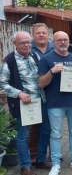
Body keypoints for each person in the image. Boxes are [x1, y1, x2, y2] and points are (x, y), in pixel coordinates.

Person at [38, 31, 72, 175]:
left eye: (65, 40)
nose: (63, 42)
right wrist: (52, 72)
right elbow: (41, 83)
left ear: (68, 41)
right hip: (55, 103)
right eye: (59, 40)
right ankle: (55, 163)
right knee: (56, 134)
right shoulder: (46, 59)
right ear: (53, 42)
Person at [0, 31, 50, 175]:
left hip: (41, 100)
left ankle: (40, 159)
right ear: (14, 44)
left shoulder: (35, 56)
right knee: (24, 135)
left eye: (28, 42)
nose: (27, 45)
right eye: (23, 42)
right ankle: (25, 166)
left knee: (45, 131)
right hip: (25, 104)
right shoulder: (9, 60)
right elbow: (2, 84)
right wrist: (19, 93)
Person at [30, 23, 54, 165]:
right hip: (33, 94)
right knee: (34, 127)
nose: (41, 35)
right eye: (38, 33)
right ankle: (34, 154)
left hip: (52, 93)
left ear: (48, 35)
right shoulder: (28, 48)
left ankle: (51, 153)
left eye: (43, 33)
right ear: (33, 35)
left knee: (51, 126)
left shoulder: (54, 47)